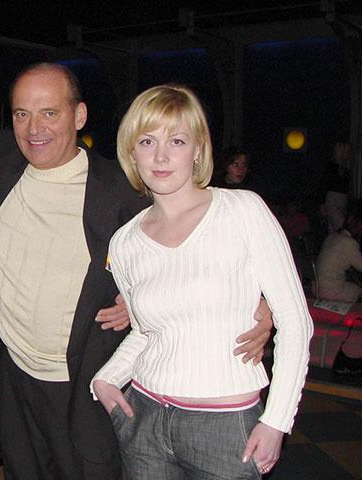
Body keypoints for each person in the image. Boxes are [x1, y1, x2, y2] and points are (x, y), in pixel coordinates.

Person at [0, 63, 273, 479]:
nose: (33, 128)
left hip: (85, 381)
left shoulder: (120, 191)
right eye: (21, 113)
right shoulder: (1, 163)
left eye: (49, 113)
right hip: (14, 377)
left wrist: (261, 302)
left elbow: (191, 243)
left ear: (79, 115)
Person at [91, 84, 313, 479]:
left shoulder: (242, 211)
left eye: (176, 141)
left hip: (225, 426)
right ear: (131, 152)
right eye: (147, 141)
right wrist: (107, 379)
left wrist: (277, 420)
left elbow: (295, 321)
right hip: (144, 419)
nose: (160, 156)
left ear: (198, 150)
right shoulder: (125, 242)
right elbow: (146, 332)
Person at [314, 202, 362, 302]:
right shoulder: (349, 243)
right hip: (332, 291)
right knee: (357, 290)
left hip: (317, 288)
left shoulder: (332, 237)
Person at [321, 141, 352, 234]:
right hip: (333, 198)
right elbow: (325, 184)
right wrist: (322, 203)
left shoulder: (346, 167)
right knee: (341, 227)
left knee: (334, 229)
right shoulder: (332, 167)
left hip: (342, 199)